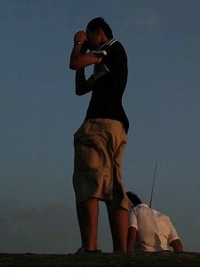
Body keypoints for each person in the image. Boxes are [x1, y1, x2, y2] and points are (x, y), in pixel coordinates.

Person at [69, 17, 131, 253]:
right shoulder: (107, 61)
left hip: (99, 124)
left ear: (99, 32)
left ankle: (90, 250)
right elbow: (80, 89)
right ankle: (121, 253)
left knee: (88, 181)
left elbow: (75, 62)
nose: (88, 41)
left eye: (89, 36)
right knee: (113, 186)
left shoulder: (109, 48)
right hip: (116, 126)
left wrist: (78, 44)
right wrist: (85, 58)